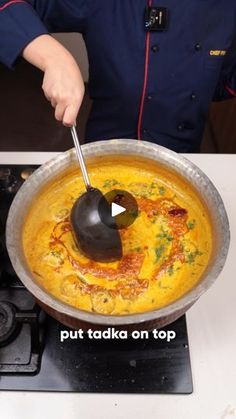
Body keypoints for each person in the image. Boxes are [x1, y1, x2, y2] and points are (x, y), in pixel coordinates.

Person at [0, 0, 236, 152]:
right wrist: (55, 58)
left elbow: (221, 81)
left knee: (171, 224)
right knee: (112, 222)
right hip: (109, 148)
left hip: (183, 155)